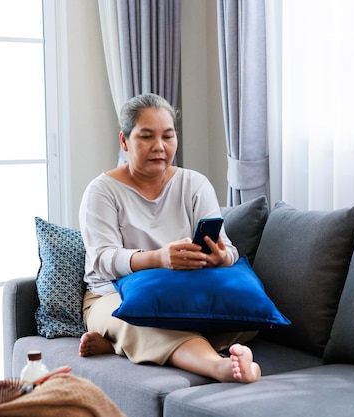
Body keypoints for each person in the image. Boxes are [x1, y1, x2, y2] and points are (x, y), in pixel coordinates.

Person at [77, 93, 261, 383]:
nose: (159, 147)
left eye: (168, 136)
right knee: (141, 320)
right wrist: (158, 258)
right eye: (146, 136)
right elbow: (102, 259)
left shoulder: (194, 184)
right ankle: (221, 366)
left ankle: (118, 344)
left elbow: (228, 248)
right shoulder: (102, 191)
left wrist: (221, 257)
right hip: (113, 294)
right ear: (124, 141)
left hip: (181, 291)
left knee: (240, 312)